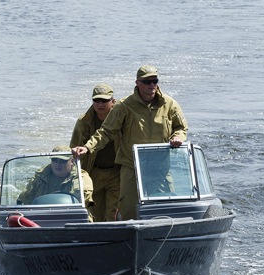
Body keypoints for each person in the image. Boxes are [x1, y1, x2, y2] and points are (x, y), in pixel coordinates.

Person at [71, 65, 188, 220]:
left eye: (155, 81)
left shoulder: (169, 104)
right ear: (137, 83)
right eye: (147, 82)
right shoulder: (124, 105)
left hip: (160, 167)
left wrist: (178, 137)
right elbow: (106, 131)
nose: (152, 85)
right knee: (128, 212)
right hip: (131, 167)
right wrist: (87, 147)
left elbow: (181, 127)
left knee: (165, 211)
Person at [70, 84, 120, 222]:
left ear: (113, 101)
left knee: (113, 215)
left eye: (104, 101)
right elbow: (74, 148)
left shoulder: (121, 118)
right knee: (94, 213)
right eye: (96, 100)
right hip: (94, 173)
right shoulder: (84, 121)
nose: (100, 104)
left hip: (116, 172)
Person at [17, 145, 94, 219]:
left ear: (72, 161)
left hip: (72, 217)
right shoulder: (40, 176)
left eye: (62, 160)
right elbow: (25, 200)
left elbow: (83, 201)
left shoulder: (81, 178)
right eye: (54, 160)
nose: (58, 164)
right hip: (42, 216)